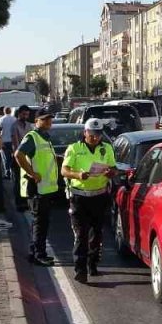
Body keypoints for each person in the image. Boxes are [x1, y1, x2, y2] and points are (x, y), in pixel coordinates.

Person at [60, 118, 117, 283]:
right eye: (92, 134)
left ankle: (92, 264)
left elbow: (113, 167)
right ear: (85, 132)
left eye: (98, 135)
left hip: (99, 197)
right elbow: (64, 170)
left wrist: (110, 173)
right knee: (81, 235)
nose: (95, 138)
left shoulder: (106, 148)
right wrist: (78, 175)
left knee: (96, 234)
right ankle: (80, 269)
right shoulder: (74, 148)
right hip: (79, 197)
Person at [15, 109, 60, 267]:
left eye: (50, 119)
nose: (48, 122)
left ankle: (34, 252)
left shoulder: (45, 138)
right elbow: (18, 155)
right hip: (36, 188)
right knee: (40, 223)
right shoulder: (32, 137)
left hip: (44, 189)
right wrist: (32, 173)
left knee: (41, 223)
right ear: (36, 122)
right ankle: (39, 255)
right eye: (44, 119)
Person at [10, 105, 33, 212]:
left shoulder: (29, 126)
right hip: (18, 156)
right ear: (19, 114)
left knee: (26, 180)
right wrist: (18, 156)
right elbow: (15, 143)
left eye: (27, 114)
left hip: (28, 157)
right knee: (18, 181)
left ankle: (26, 201)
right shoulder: (14, 126)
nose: (25, 116)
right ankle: (19, 203)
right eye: (24, 114)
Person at [0, 106, 17, 179]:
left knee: (5, 158)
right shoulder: (14, 119)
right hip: (13, 141)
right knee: (13, 157)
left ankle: (7, 172)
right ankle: (13, 171)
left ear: (4, 111)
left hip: (4, 141)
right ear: (10, 111)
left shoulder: (1, 119)